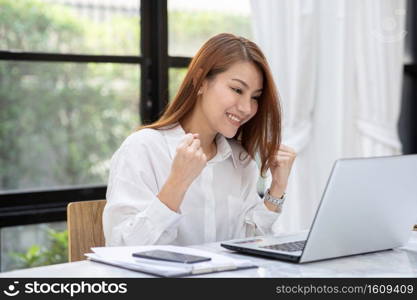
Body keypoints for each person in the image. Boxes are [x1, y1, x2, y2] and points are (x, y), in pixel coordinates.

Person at [103, 33, 296, 246]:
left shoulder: (240, 161)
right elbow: (121, 248)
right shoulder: (143, 148)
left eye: (255, 97)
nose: (246, 107)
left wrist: (277, 187)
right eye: (237, 89)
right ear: (200, 81)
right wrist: (177, 182)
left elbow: (251, 246)